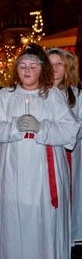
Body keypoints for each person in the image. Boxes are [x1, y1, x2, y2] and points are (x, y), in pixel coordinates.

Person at [0, 44, 79, 259]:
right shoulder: (6, 96)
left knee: (43, 217)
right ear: (16, 69)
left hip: (45, 171)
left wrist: (41, 128)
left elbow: (70, 129)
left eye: (33, 66)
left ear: (42, 69)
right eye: (22, 66)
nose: (27, 71)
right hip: (14, 168)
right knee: (14, 218)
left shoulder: (53, 96)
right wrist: (14, 128)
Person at [47, 48, 82, 248]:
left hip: (72, 152)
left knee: (72, 192)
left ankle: (70, 237)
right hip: (46, 153)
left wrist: (64, 131)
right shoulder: (39, 93)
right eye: (50, 64)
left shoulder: (76, 95)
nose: (54, 68)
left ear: (67, 67)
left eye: (59, 64)